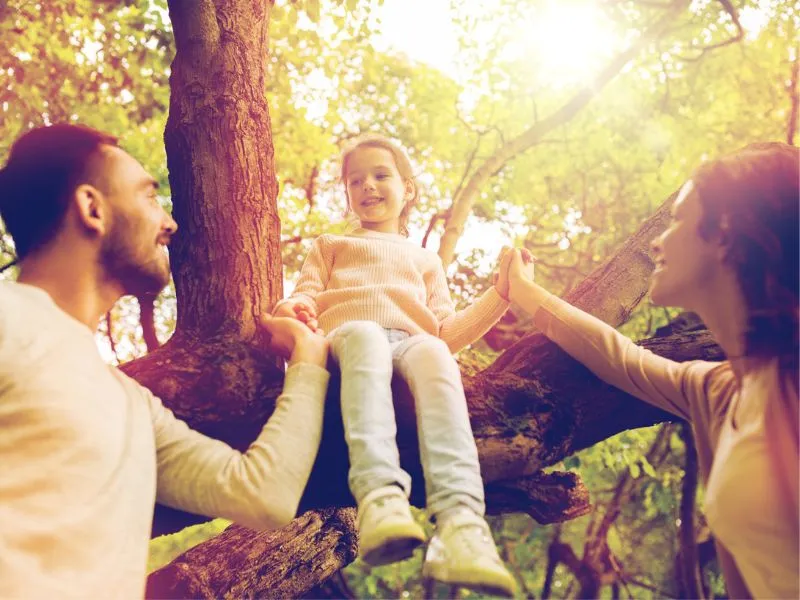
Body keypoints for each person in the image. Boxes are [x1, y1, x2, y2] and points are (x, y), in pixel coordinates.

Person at [0, 124, 330, 598]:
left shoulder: (134, 408)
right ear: (92, 208)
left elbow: (264, 496)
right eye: (149, 197)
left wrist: (309, 359)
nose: (169, 223)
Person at [505, 142, 799, 599]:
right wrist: (522, 291)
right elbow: (616, 356)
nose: (659, 240)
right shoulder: (719, 392)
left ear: (723, 232)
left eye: (678, 219)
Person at [273, 134, 517, 596]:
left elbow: (446, 331)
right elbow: (304, 294)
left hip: (409, 344)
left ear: (408, 188)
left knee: (436, 354)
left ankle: (462, 523)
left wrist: (500, 295)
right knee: (365, 335)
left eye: (381, 175)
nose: (368, 186)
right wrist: (295, 310)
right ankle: (380, 497)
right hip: (346, 339)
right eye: (356, 180)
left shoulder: (425, 260)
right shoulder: (330, 246)